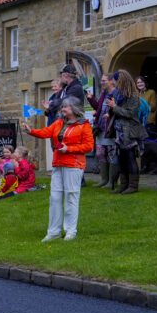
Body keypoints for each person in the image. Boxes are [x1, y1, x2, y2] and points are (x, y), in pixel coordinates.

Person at [27, 97, 94, 241]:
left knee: (71, 196)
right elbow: (46, 132)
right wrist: (31, 130)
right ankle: (53, 232)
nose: (63, 109)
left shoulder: (84, 125)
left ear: (74, 109)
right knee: (55, 198)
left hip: (74, 165)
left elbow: (89, 146)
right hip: (58, 163)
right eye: (63, 107)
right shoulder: (58, 122)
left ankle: (71, 231)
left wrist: (68, 149)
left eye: (66, 107)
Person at [105, 71, 146, 195]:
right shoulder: (119, 95)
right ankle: (123, 185)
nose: (114, 83)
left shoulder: (133, 96)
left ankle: (133, 186)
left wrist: (115, 107)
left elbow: (129, 114)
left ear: (121, 81)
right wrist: (111, 109)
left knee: (130, 158)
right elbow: (117, 113)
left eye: (116, 80)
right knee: (121, 159)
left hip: (130, 132)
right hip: (119, 131)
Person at [88, 73, 117, 188]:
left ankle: (112, 182)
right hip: (100, 128)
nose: (102, 82)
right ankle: (104, 180)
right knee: (100, 154)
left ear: (111, 81)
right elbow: (99, 108)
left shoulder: (116, 94)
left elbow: (117, 110)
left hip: (110, 129)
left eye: (104, 80)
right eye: (102, 80)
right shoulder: (104, 94)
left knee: (112, 155)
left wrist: (108, 115)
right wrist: (91, 99)